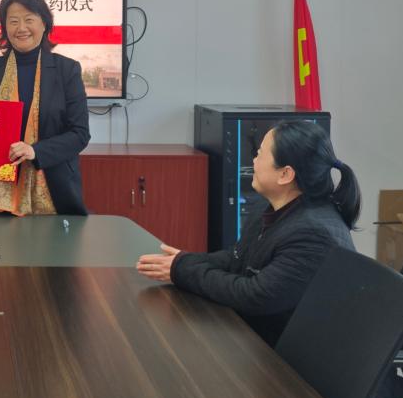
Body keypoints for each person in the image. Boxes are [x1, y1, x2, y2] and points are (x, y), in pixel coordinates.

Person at [137, 120, 359, 346]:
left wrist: (183, 271)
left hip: (292, 357)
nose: (253, 160)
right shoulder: (273, 208)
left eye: (260, 154)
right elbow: (237, 258)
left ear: (285, 174)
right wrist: (184, 261)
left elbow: (254, 296)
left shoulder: (313, 234)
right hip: (262, 335)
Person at [0, 0, 90, 216]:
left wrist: (35, 151)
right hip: (0, 191)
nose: (21, 28)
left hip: (54, 189)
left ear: (44, 24)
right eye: (13, 21)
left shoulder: (67, 69)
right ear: (5, 27)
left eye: (29, 20)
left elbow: (80, 134)